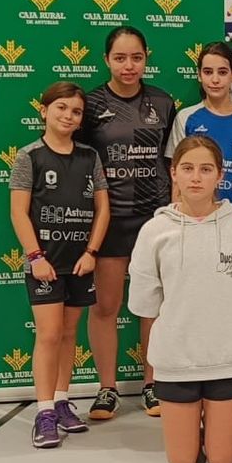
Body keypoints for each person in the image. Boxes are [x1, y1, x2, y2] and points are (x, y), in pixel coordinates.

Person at [127, 135, 232, 463]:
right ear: (173, 173)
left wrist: (227, 329)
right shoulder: (154, 230)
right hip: (176, 361)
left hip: (228, 360)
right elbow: (145, 302)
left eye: (206, 170)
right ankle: (193, 429)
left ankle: (215, 430)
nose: (196, 178)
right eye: (187, 168)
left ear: (220, 176)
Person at [7, 81, 109, 450]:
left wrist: (91, 252)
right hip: (45, 263)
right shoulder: (29, 156)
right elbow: (18, 212)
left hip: (79, 262)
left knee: (68, 334)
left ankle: (63, 400)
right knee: (48, 335)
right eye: (61, 108)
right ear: (44, 110)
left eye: (76, 111)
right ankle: (45, 411)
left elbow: (103, 208)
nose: (68, 116)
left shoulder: (89, 157)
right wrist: (35, 257)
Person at [82, 25, 177, 422]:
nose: (128, 65)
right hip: (111, 219)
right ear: (106, 60)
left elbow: (173, 162)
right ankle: (107, 389)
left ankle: (152, 384)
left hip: (155, 219)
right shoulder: (90, 104)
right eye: (120, 58)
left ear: (146, 57)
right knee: (106, 306)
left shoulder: (163, 102)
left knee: (152, 306)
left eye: (136, 57)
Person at [168, 42, 232, 219]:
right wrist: (178, 220)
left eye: (222, 72)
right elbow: (177, 175)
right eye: (208, 72)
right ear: (199, 75)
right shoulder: (186, 118)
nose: (215, 80)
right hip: (194, 218)